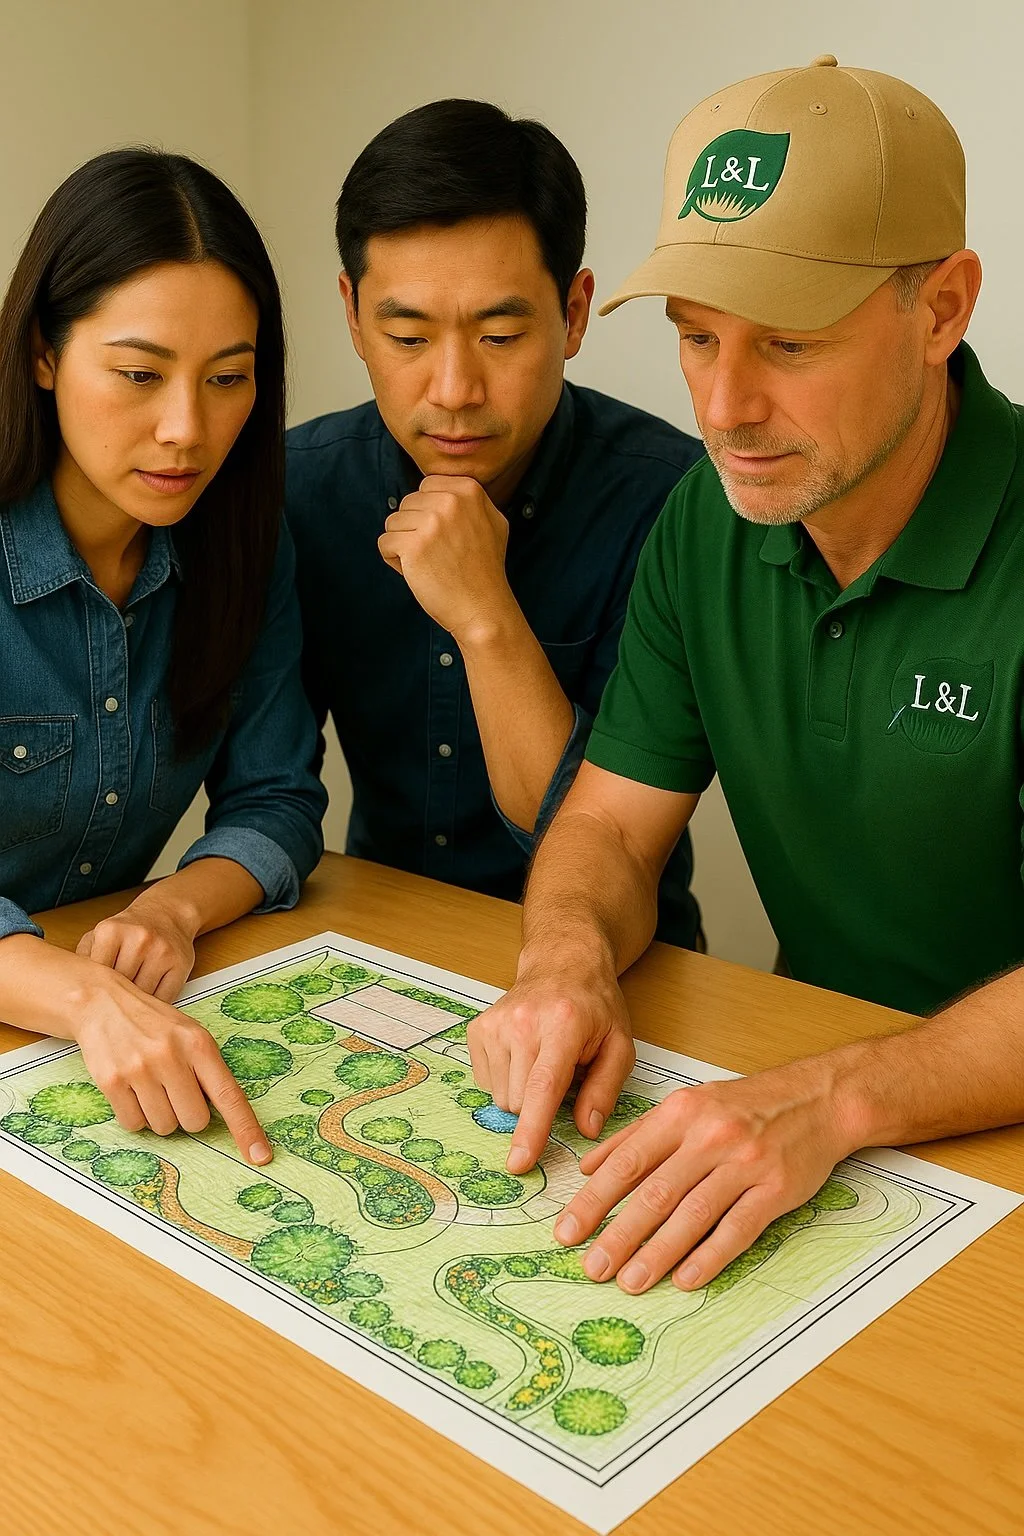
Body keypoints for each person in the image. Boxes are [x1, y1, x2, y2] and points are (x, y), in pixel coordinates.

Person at [468, 57, 1024, 1295]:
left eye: (787, 342)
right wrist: (562, 961)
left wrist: (828, 1098)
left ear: (940, 309)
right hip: (826, 1131)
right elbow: (609, 822)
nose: (724, 406)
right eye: (695, 337)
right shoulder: (703, 525)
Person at [285, 100, 704, 947]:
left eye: (501, 334)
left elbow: (596, 837)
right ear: (353, 314)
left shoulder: (673, 502)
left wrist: (485, 616)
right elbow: (267, 783)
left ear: (575, 313)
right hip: (380, 943)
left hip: (625, 959)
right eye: (406, 336)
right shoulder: (299, 490)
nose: (453, 390)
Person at [0, 149, 327, 1163]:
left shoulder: (242, 544)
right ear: (46, 353)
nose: (187, 430)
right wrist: (83, 997)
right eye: (139, 374)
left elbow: (276, 799)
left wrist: (175, 911)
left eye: (229, 379)